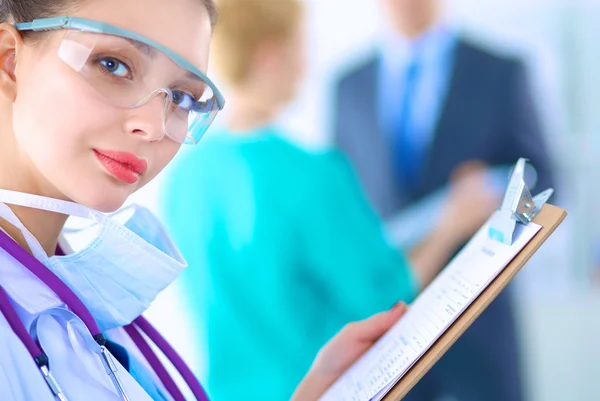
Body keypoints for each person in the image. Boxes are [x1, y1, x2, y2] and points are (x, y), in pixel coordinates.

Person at [0, 0, 426, 399]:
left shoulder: (81, 300)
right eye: (112, 64)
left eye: (183, 97)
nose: (153, 124)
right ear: (10, 59)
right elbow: (385, 293)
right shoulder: (308, 173)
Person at [159, 0, 498, 400]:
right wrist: (449, 228)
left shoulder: (183, 176)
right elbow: (385, 298)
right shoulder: (312, 175)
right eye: (301, 44)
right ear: (271, 54)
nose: (306, 62)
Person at [332, 1, 556, 400]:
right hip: (388, 338)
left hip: (479, 332)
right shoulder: (348, 86)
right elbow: (342, 208)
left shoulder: (500, 72)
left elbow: (546, 186)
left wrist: (498, 201)